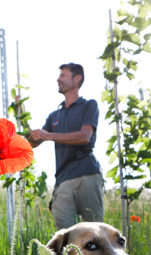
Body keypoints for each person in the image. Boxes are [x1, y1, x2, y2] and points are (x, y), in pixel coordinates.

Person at [29, 63, 104, 230]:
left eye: (63, 75)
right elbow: (33, 143)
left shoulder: (89, 106)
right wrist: (21, 116)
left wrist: (47, 135)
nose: (58, 79)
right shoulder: (55, 116)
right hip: (63, 178)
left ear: (77, 78)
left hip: (87, 173)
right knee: (64, 233)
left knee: (95, 232)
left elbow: (85, 137)